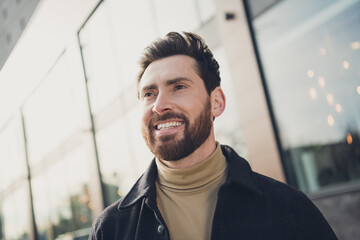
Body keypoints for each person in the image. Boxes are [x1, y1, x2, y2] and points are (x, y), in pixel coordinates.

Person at [89, 32, 337, 240]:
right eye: (149, 94)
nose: (159, 105)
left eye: (178, 87)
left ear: (216, 102)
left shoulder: (290, 209)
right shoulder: (111, 229)